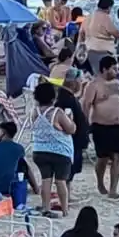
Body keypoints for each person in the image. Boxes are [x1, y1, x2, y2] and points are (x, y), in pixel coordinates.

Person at [83, 56, 119, 198]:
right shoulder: (93, 85)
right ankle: (100, 183)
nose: (117, 71)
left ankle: (113, 189)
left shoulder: (118, 84)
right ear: (104, 69)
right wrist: (85, 125)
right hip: (101, 126)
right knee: (102, 158)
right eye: (114, 69)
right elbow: (86, 105)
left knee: (118, 157)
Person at [28, 80, 76, 217]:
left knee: (45, 180)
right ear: (53, 98)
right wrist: (70, 118)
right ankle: (65, 210)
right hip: (60, 151)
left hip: (40, 150)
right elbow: (71, 129)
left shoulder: (34, 112)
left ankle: (45, 207)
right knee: (61, 181)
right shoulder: (57, 112)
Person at [0, 120, 29, 202]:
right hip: (12, 190)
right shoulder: (19, 148)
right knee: (23, 165)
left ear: (3, 133)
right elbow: (26, 168)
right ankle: (36, 188)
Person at [82, 0, 119, 75]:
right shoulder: (106, 17)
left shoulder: (88, 17)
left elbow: (81, 34)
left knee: (96, 73)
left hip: (89, 51)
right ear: (109, 7)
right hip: (103, 52)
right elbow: (116, 33)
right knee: (110, 74)